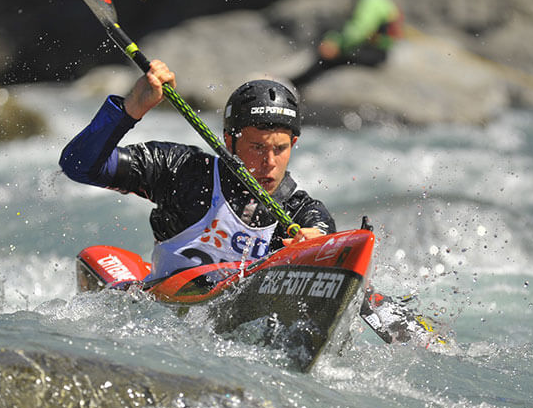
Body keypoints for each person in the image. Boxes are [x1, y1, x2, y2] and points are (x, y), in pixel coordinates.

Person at [59, 60, 336, 281]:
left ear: (294, 144)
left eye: (280, 149)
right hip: (163, 314)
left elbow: (322, 233)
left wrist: (317, 244)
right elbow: (79, 166)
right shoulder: (182, 170)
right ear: (229, 141)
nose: (270, 162)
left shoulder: (300, 211)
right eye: (257, 147)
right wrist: (131, 108)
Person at [292, 0, 403, 87]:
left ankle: (294, 85)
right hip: (373, 50)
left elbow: (360, 30)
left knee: (326, 61)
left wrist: (336, 45)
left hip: (374, 54)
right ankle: (295, 83)